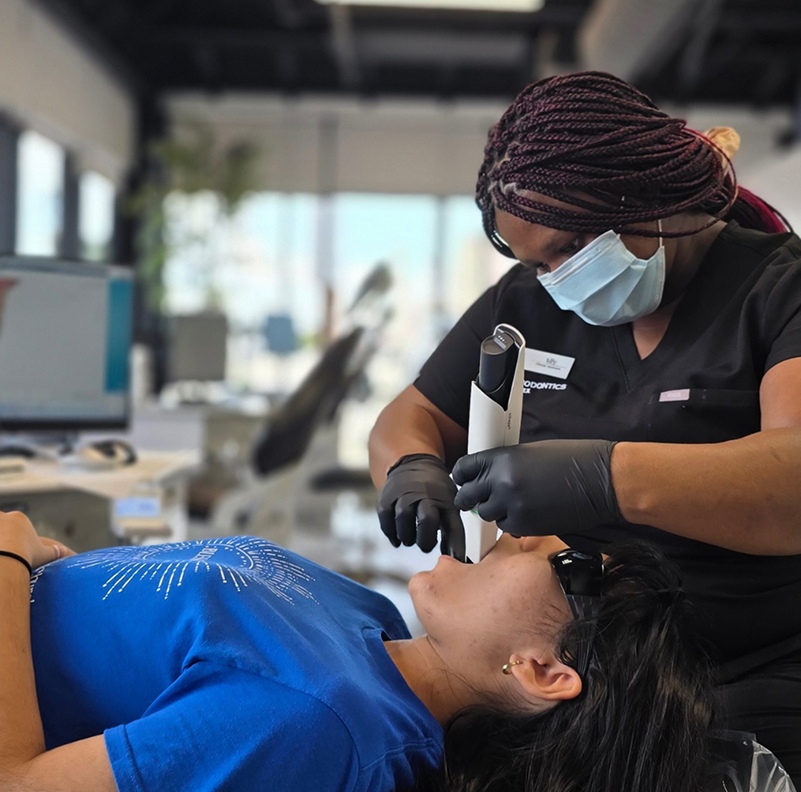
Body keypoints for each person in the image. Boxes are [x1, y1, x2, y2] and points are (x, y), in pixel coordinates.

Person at [369, 70, 801, 785]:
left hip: (742, 673)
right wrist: (409, 466)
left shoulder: (778, 291)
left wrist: (604, 477)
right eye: (536, 263)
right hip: (561, 680)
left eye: (568, 248)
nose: (557, 281)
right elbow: (409, 415)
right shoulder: (527, 302)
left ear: (644, 195)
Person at [0, 509, 742, 792]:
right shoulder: (373, 621)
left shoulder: (317, 725)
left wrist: (7, 559)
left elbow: (18, 782)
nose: (533, 536)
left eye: (568, 564)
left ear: (541, 670)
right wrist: (52, 570)